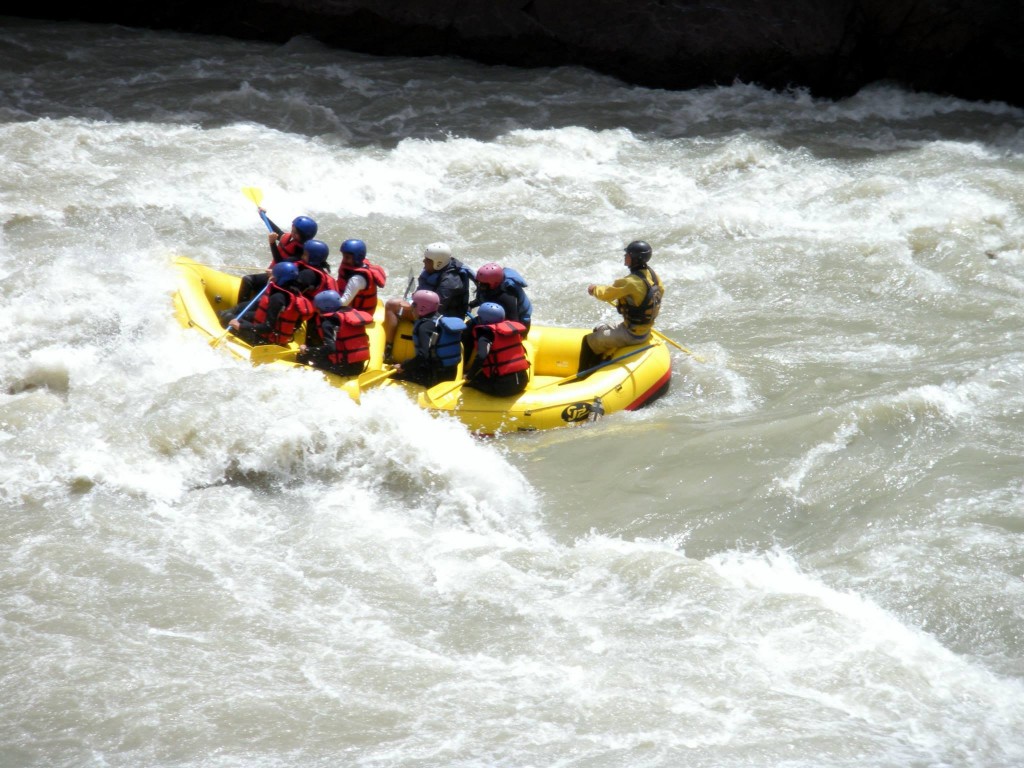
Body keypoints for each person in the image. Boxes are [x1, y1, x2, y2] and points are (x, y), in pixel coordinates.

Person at [383, 242, 474, 363]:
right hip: (430, 309)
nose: (423, 261)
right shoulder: (438, 270)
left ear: (438, 263)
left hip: (440, 317)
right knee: (397, 304)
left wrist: (412, 307)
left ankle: (388, 350)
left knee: (391, 306)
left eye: (427, 260)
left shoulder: (450, 282)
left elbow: (436, 308)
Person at [222, 212, 318, 323]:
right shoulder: (289, 238)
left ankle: (240, 317)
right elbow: (277, 231)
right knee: (247, 280)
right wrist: (263, 216)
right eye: (293, 230)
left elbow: (281, 263)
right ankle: (238, 311)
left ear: (304, 237)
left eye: (296, 233)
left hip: (280, 280)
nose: (292, 233)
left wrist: (272, 244)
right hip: (272, 274)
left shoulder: (301, 251)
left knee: (259, 300)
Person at [227, 261, 315, 347]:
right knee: (244, 315)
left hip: (263, 341)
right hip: (276, 338)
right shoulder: (294, 294)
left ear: (279, 278)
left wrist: (241, 326)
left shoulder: (277, 297)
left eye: (274, 274)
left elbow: (267, 328)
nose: (270, 276)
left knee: (225, 316)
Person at [390, 289, 463, 387]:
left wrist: (403, 366)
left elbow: (422, 356)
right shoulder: (440, 320)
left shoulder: (424, 327)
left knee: (393, 374)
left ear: (422, 308)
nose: (411, 308)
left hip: (433, 376)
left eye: (413, 305)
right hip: (450, 374)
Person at [297, 290, 373, 377]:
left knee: (302, 356)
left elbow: (331, 348)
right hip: (359, 367)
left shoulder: (328, 323)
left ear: (322, 308)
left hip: (342, 369)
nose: (316, 310)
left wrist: (307, 350)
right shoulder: (348, 317)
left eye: (317, 307)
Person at [463, 302, 530, 397]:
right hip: (523, 381)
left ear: (484, 320)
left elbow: (481, 356)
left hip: (503, 387)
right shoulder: (511, 331)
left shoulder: (486, 334)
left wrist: (469, 376)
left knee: (469, 382)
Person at [468, 261, 532, 336]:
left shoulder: (507, 295)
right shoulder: (489, 287)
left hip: (520, 325)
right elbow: (483, 298)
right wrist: (470, 305)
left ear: (494, 283)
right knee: (470, 325)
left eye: (482, 284)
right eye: (479, 283)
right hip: (503, 317)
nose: (479, 286)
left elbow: (514, 321)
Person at [336, 238, 387, 314]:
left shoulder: (357, 278)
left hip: (358, 316)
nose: (344, 260)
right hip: (353, 309)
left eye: (347, 257)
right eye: (343, 256)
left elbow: (344, 302)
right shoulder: (359, 266)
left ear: (357, 258)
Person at [295, 239, 338, 303]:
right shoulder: (304, 267)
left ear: (314, 257)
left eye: (305, 254)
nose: (302, 256)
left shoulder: (310, 274)